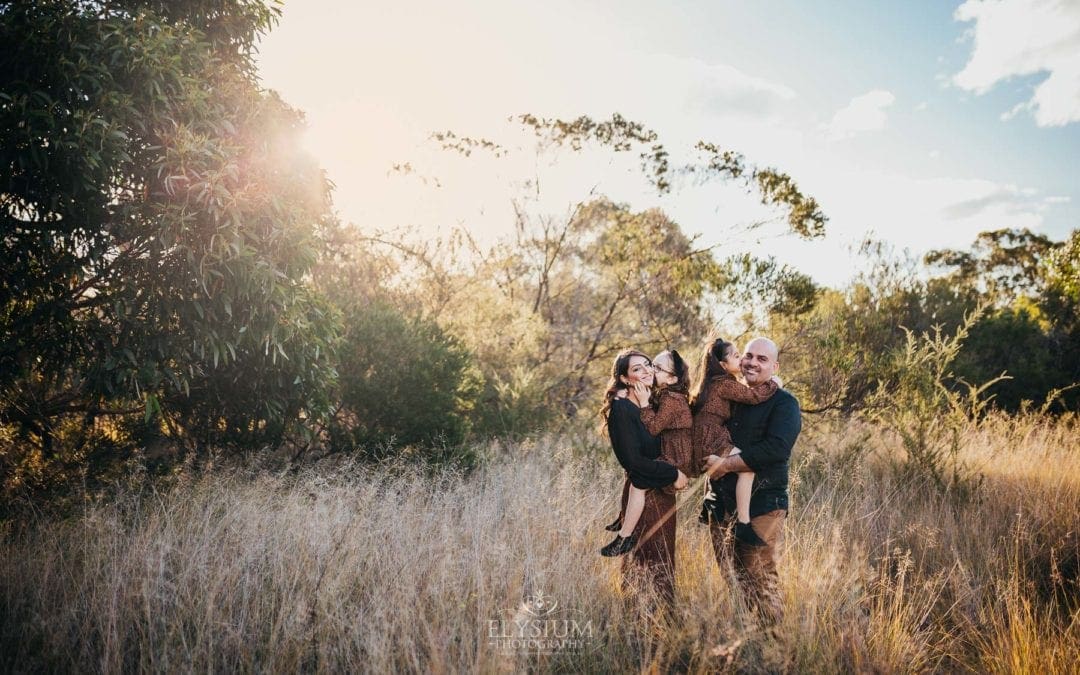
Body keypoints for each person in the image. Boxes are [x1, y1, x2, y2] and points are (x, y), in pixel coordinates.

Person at [701, 337, 801, 628]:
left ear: (775, 366)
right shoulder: (731, 395)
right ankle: (747, 638)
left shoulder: (785, 403)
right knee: (731, 574)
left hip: (763, 503)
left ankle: (776, 644)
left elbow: (776, 449)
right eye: (748, 356)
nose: (753, 363)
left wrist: (726, 464)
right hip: (720, 503)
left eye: (762, 359)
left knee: (759, 572)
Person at [600, 349, 689, 603]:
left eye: (648, 365)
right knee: (647, 564)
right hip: (646, 493)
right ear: (625, 379)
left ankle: (662, 628)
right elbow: (634, 462)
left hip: (659, 493)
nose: (647, 370)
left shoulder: (648, 400)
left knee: (661, 562)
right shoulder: (622, 409)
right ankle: (643, 631)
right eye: (637, 368)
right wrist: (672, 472)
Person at [690, 338, 781, 541]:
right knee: (746, 467)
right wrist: (773, 384)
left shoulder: (715, 383)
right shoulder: (724, 384)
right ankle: (743, 523)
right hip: (711, 437)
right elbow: (752, 396)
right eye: (737, 356)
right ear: (723, 366)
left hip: (706, 437)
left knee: (727, 469)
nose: (742, 360)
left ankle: (710, 507)